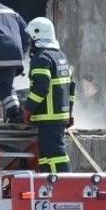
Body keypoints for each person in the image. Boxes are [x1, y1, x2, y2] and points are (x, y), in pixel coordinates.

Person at [24, 18, 76, 175]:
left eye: (30, 39)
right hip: (59, 117)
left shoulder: (41, 58)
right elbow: (71, 88)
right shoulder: (60, 56)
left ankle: (63, 186)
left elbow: (40, 88)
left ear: (36, 36)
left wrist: (27, 110)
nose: (28, 43)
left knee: (54, 156)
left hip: (47, 118)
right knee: (47, 157)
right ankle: (49, 184)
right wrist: (69, 113)